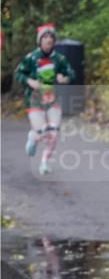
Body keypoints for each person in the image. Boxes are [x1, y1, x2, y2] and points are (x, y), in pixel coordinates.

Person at [15, 24, 75, 175]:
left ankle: (44, 163)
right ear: (40, 40)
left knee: (53, 134)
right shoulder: (31, 57)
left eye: (51, 37)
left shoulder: (59, 58)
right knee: (42, 132)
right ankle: (33, 136)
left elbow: (72, 74)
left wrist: (64, 78)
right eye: (45, 37)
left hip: (52, 100)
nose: (49, 39)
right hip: (35, 100)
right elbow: (19, 74)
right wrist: (29, 82)